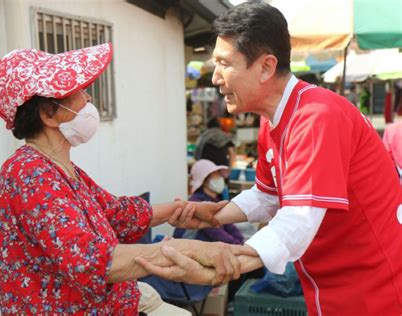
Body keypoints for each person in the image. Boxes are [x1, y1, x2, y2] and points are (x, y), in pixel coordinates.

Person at [139, 3, 402, 315]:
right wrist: (215, 215)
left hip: (376, 284)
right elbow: (267, 195)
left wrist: (229, 260)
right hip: (329, 280)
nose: (216, 78)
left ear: (265, 66)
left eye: (225, 64)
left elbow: (298, 219)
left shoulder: (316, 116)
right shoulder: (273, 119)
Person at [0, 44, 259, 314]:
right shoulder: (29, 174)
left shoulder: (61, 169)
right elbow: (89, 260)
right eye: (80, 91)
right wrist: (182, 249)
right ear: (48, 113)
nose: (89, 98)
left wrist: (186, 212)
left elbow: (117, 213)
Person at [174, 159, 244, 245]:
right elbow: (214, 231)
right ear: (204, 181)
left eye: (219, 175)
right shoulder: (196, 201)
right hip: (189, 247)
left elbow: (228, 223)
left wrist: (240, 239)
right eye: (215, 176)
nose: (220, 178)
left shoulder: (217, 198)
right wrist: (236, 244)